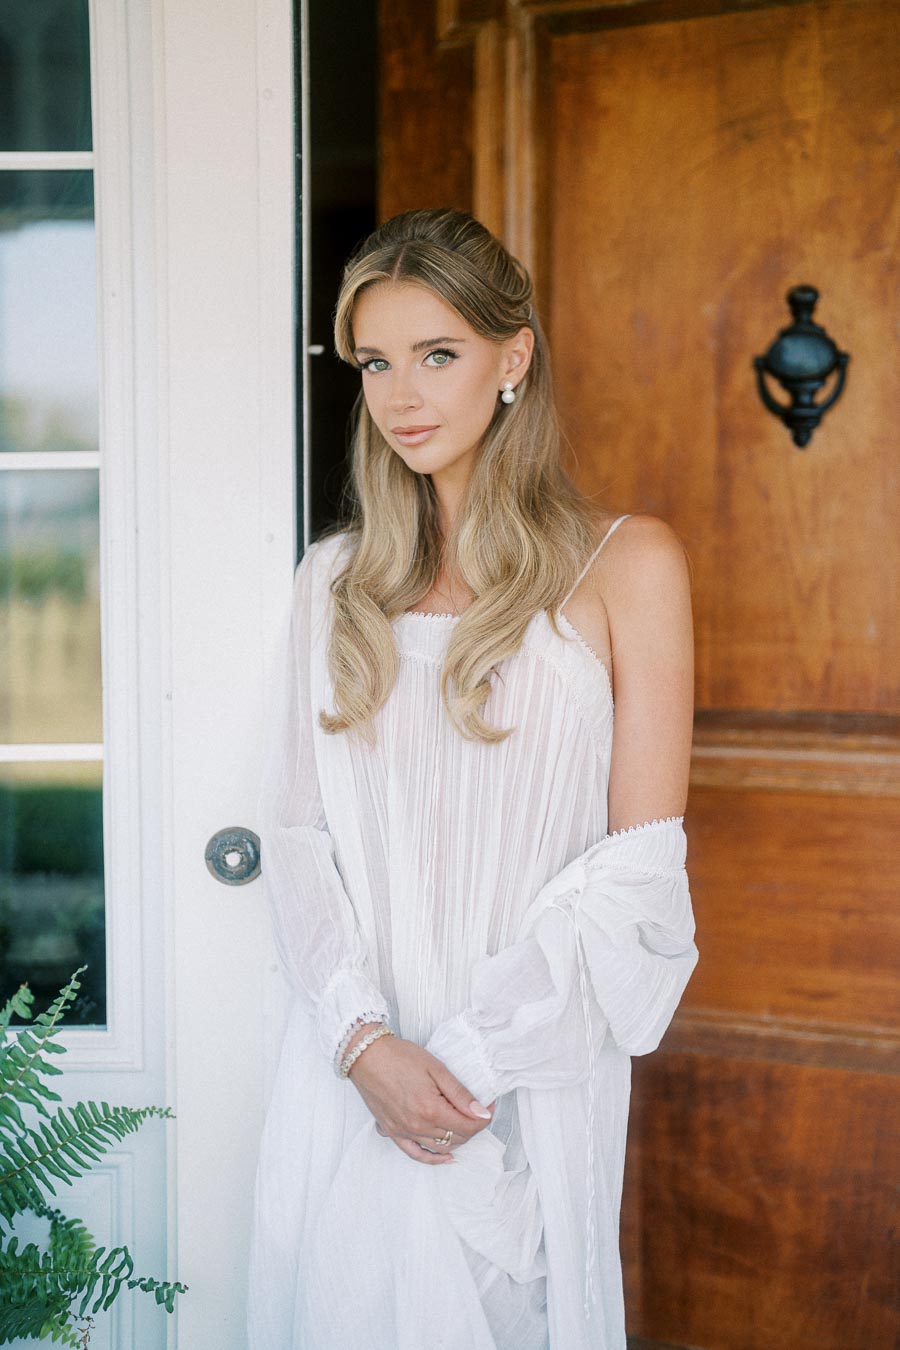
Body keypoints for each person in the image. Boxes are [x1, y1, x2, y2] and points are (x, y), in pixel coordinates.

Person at [247, 207, 699, 1350]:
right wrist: (364, 1047)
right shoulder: (333, 582)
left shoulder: (626, 565)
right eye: (376, 361)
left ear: (515, 357)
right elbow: (296, 845)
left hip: (524, 1079)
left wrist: (455, 1070)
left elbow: (635, 878)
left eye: (437, 353)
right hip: (352, 1072)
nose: (401, 395)